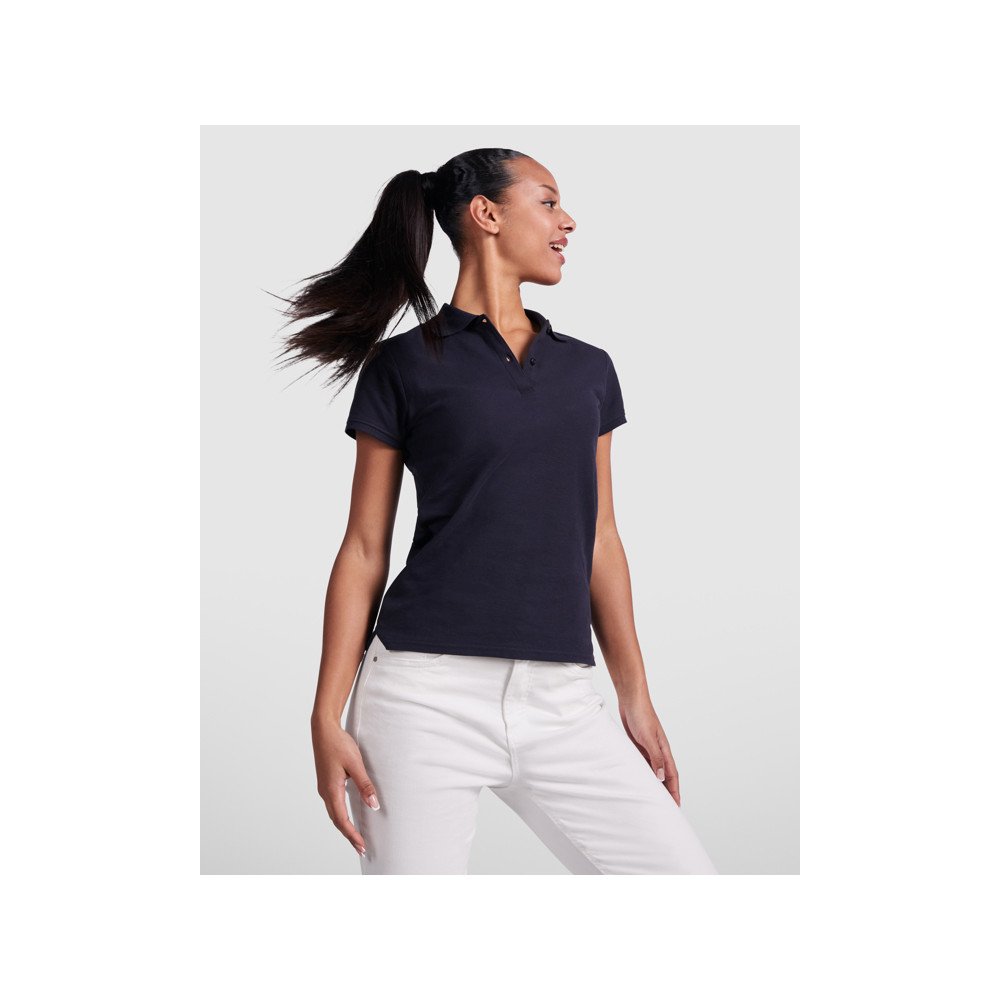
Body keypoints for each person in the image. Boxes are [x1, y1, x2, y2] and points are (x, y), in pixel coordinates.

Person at [275, 148, 718, 874]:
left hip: (562, 700)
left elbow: (601, 538)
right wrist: (326, 713)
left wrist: (634, 695)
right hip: (421, 698)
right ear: (486, 214)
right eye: (547, 201)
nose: (567, 221)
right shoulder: (403, 367)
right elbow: (363, 547)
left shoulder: (588, 370)